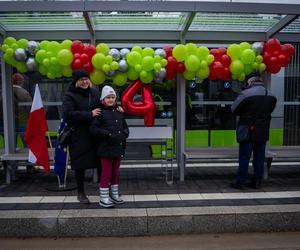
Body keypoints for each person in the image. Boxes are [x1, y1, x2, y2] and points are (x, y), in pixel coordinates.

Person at [231, 71, 277, 189]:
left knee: (244, 157)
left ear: (250, 81)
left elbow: (234, 109)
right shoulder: (271, 95)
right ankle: (257, 182)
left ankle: (241, 182)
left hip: (248, 130)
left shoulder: (245, 94)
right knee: (259, 158)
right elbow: (270, 110)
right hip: (263, 131)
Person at [62, 70, 101, 204]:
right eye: (81, 79)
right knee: (80, 165)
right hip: (78, 135)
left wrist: (115, 108)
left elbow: (101, 108)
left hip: (94, 133)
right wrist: (89, 114)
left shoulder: (95, 93)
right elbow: (69, 115)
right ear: (76, 82)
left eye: (86, 79)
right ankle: (81, 193)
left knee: (101, 162)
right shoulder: (70, 95)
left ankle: (105, 191)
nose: (85, 82)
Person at [90, 85, 129, 208]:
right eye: (108, 97)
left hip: (118, 148)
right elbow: (93, 129)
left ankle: (114, 195)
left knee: (115, 173)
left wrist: (124, 134)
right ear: (103, 99)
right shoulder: (100, 113)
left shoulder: (119, 112)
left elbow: (125, 127)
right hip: (106, 149)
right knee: (106, 173)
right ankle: (104, 197)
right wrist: (107, 134)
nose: (111, 100)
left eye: (113, 97)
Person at [12, 73, 39, 174]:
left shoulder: (4, 93)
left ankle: (11, 169)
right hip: (24, 123)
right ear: (20, 82)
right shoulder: (24, 93)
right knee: (28, 146)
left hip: (8, 124)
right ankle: (30, 167)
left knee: (10, 146)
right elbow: (31, 109)